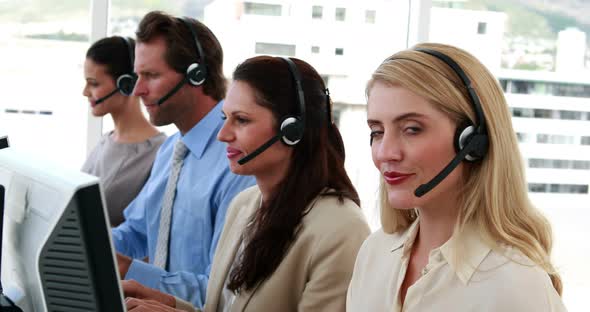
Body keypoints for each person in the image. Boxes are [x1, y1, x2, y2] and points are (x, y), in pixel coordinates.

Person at [124, 56, 371, 312]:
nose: (223, 135)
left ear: (292, 131)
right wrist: (167, 304)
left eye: (241, 120)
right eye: (225, 118)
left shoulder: (341, 229)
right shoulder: (244, 204)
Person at [346, 43, 566, 311]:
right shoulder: (374, 253)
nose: (386, 152)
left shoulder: (516, 286)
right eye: (377, 131)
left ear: (472, 142)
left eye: (412, 129)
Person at [111, 11, 255, 310]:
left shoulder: (237, 160)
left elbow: (221, 291)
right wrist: (86, 243)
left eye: (151, 76)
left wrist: (129, 270)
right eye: (137, 76)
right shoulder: (171, 149)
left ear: (196, 75)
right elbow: (135, 232)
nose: (138, 90)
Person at [82, 36, 166, 226]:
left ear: (127, 84)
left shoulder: (158, 153)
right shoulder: (106, 141)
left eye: (94, 83)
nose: (85, 92)